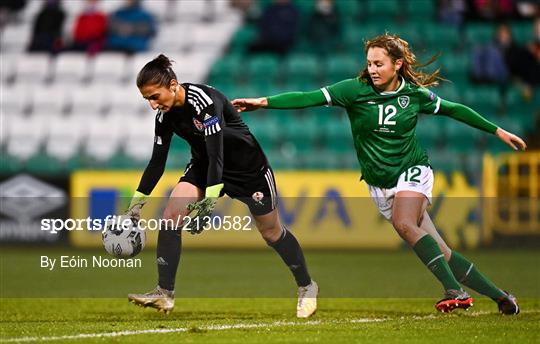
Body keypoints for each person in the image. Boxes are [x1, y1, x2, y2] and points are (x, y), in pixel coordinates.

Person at [232, 34, 526, 314]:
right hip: (379, 183)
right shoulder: (353, 90)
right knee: (442, 252)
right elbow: (308, 97)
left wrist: (497, 130)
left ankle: (455, 292)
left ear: (397, 64)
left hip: (413, 170)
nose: (372, 70)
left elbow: (454, 109)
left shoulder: (414, 95)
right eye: (369, 63)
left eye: (378, 64)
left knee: (404, 223)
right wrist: (264, 102)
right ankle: (502, 297)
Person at [124, 54, 318, 318]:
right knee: (170, 216)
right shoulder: (164, 116)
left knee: (271, 233)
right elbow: (157, 162)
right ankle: (164, 292)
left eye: (155, 96)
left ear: (172, 85)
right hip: (204, 165)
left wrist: (209, 202)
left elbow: (218, 153)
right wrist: (135, 205)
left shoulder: (203, 102)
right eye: (147, 99)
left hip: (248, 170)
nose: (152, 104)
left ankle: (306, 286)